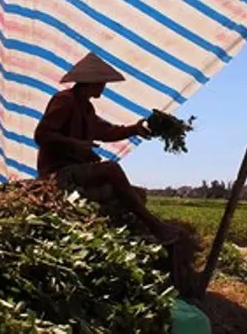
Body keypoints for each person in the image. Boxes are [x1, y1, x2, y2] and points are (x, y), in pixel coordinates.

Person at [34, 51, 180, 244]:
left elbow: (107, 131)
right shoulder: (65, 100)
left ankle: (135, 231)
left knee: (136, 193)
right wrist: (76, 144)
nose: (103, 87)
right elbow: (41, 135)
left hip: (76, 170)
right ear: (92, 81)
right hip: (58, 173)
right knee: (111, 168)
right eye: (102, 83)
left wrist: (134, 129)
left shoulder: (86, 108)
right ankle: (154, 225)